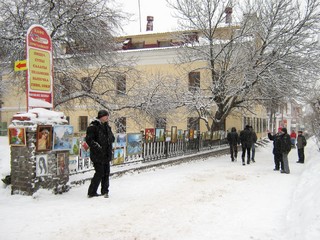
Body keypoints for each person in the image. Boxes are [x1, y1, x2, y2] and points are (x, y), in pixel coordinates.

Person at [86, 110, 115, 198]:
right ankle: (92, 192)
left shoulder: (107, 127)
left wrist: (110, 139)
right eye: (106, 116)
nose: (107, 117)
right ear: (101, 116)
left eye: (107, 116)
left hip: (106, 154)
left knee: (106, 173)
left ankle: (105, 191)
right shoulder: (93, 126)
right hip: (97, 155)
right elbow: (89, 140)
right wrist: (98, 148)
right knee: (99, 172)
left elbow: (112, 138)